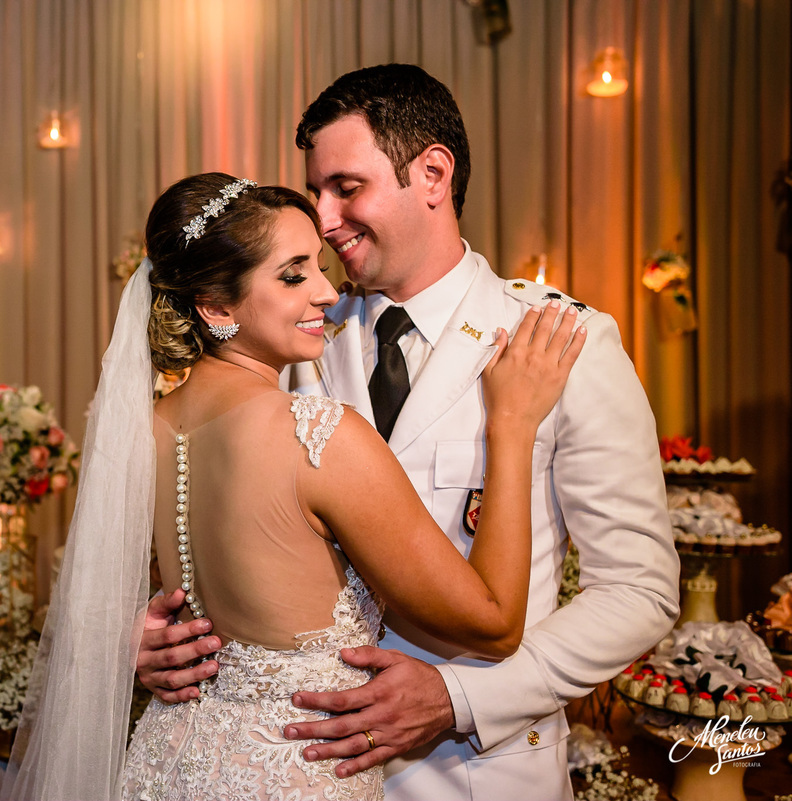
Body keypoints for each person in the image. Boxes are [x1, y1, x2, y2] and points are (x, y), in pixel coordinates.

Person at [136, 65, 681, 800]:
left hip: (476, 771)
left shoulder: (556, 340)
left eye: (345, 187)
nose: (325, 219)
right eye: (317, 190)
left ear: (432, 172)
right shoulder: (293, 337)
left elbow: (640, 591)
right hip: (300, 764)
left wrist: (458, 698)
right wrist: (149, 636)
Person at [5, 171, 584, 800]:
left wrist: (133, 637)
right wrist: (513, 423)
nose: (327, 293)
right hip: (293, 773)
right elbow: (495, 623)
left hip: (164, 768)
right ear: (217, 307)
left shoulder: (144, 428)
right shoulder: (320, 436)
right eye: (293, 275)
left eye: (318, 265)